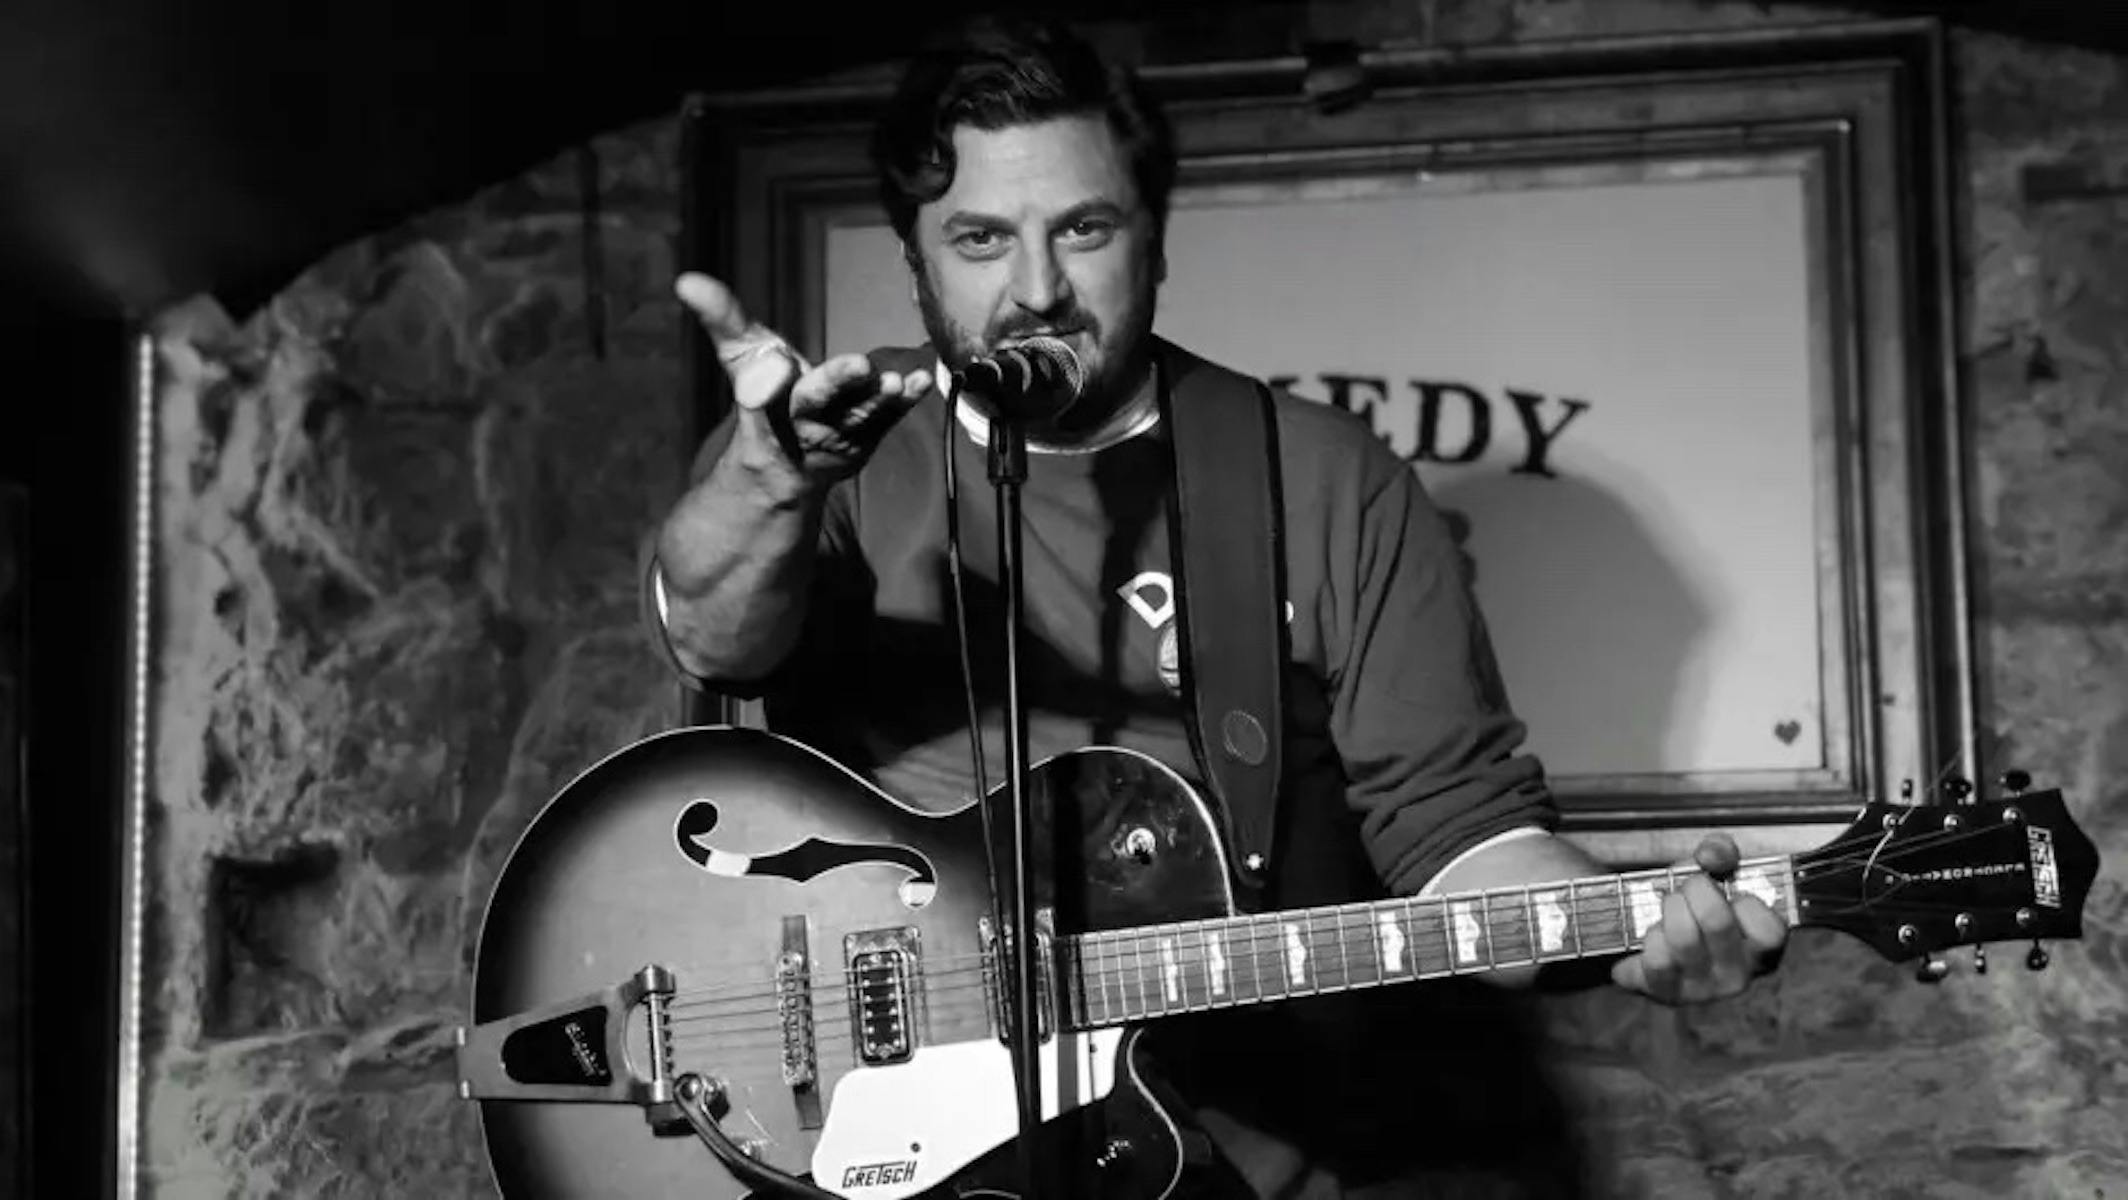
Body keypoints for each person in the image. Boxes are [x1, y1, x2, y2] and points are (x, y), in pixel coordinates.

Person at [645, 14, 1786, 1197]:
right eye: (980, 239)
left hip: (1224, 1146)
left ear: (1154, 241)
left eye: (1083, 228)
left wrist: (1633, 930)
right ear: (916, 260)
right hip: (873, 1134)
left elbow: (1461, 838)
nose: (1037, 290)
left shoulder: (1321, 478)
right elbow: (714, 642)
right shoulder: (832, 456)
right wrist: (769, 481)